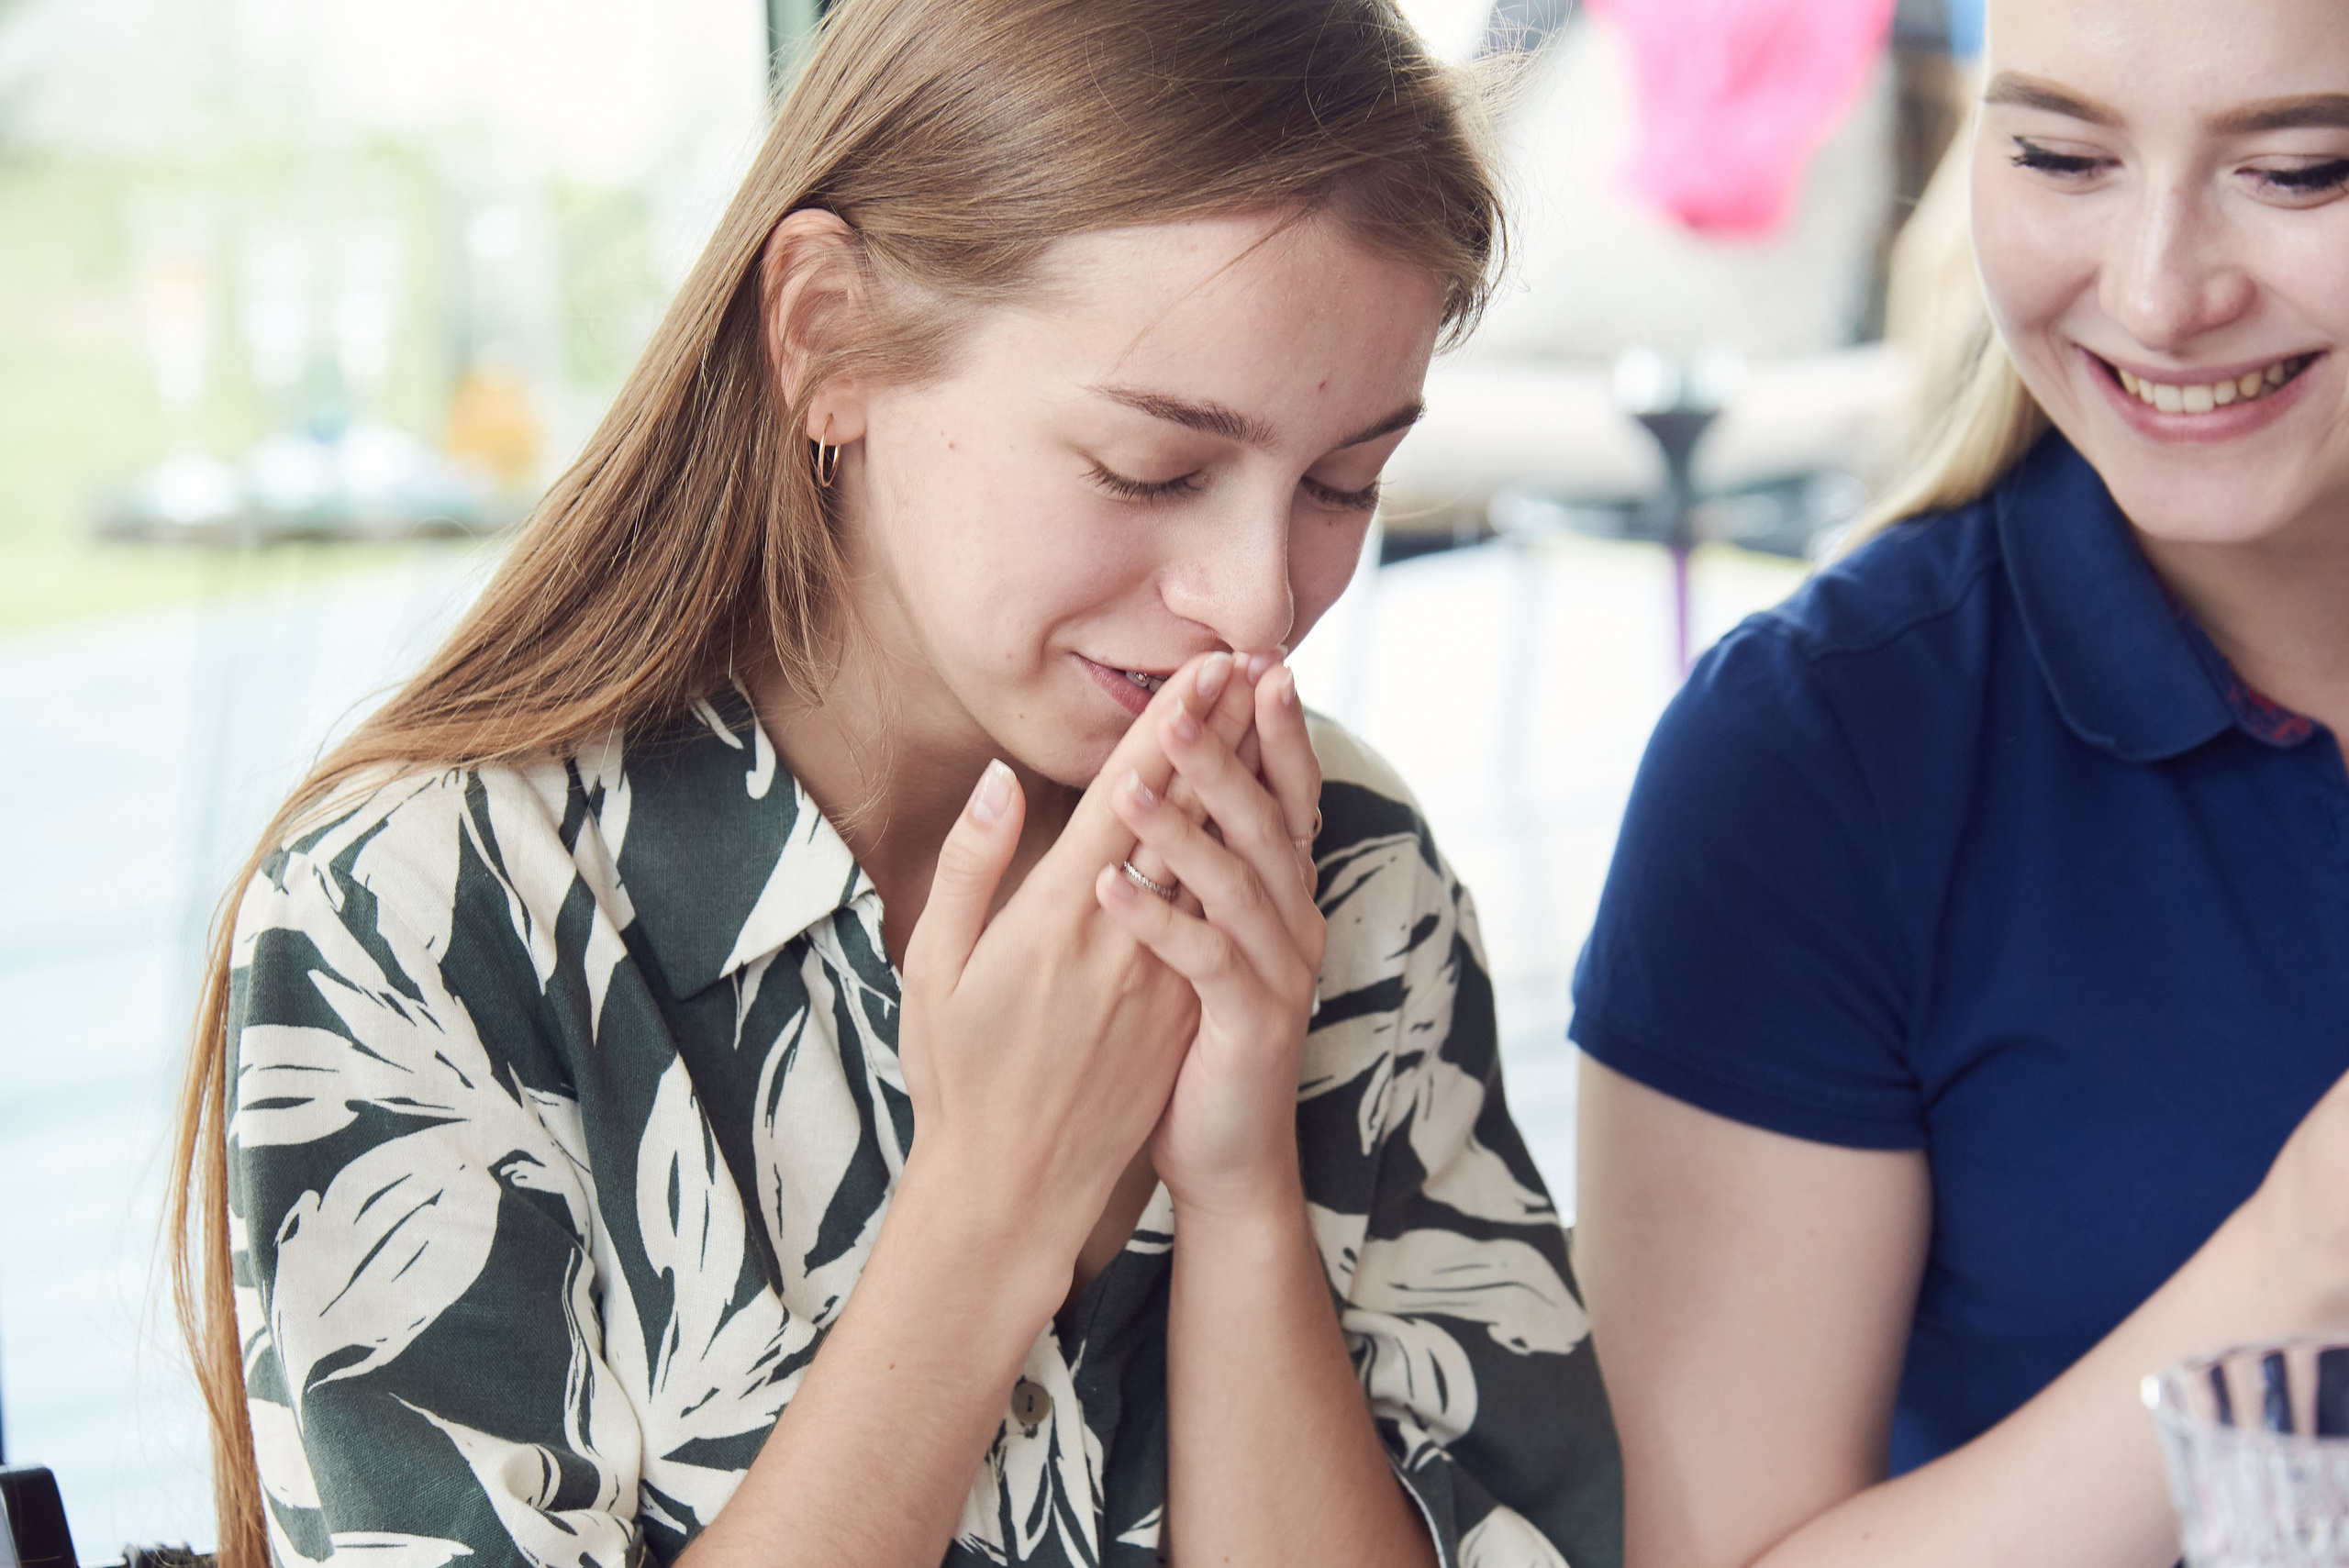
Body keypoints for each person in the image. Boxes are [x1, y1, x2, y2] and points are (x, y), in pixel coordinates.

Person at [163, 4, 1621, 1568]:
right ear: (828, 336)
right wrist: (992, 1205)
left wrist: (1244, 1188)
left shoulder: (1347, 865)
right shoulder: (421, 919)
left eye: (1346, 485)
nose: (1259, 606)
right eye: (1155, 469)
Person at [1569, 0, 2349, 1564]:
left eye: (2303, 171)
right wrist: (2303, 1263)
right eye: (2061, 155)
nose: (2158, 293)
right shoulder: (1813, 763)